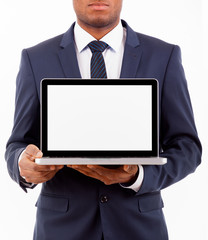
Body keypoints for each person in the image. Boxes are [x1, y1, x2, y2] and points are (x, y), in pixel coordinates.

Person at [5, 0, 202, 239]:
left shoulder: (164, 56)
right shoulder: (35, 58)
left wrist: (138, 176)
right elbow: (18, 143)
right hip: (62, 229)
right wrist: (22, 163)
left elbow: (187, 148)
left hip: (138, 227)